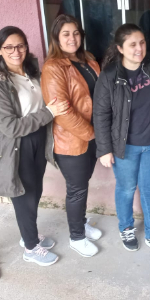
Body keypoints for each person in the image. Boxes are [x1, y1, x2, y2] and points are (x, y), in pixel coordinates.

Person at [0, 26, 69, 266]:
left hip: (38, 139)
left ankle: (28, 235)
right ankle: (31, 247)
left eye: (20, 45)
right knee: (24, 196)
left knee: (35, 191)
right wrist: (49, 112)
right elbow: (9, 127)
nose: (16, 51)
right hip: (17, 145)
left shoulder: (31, 72)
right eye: (9, 47)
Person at [93, 24, 150, 258]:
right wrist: (104, 149)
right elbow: (101, 114)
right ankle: (126, 228)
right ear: (120, 48)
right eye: (132, 44)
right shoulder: (110, 75)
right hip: (124, 146)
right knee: (126, 189)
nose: (139, 48)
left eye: (142, 42)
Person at [41, 14, 103, 258]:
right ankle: (76, 237)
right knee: (76, 189)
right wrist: (92, 134)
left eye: (76, 33)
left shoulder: (88, 60)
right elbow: (62, 112)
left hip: (91, 136)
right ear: (57, 38)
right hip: (71, 140)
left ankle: (82, 223)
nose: (72, 38)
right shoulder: (53, 67)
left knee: (82, 185)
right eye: (66, 34)